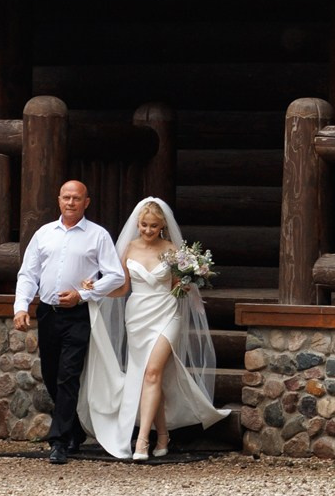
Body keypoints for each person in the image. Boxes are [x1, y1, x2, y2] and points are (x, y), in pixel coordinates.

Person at [78, 196, 225, 461]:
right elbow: (122, 288)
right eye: (144, 225)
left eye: (153, 226)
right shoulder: (129, 248)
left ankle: (142, 441)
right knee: (149, 376)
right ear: (138, 223)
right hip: (137, 316)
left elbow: (178, 288)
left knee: (153, 372)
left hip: (167, 314)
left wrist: (190, 280)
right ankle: (163, 434)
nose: (147, 230)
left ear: (162, 227)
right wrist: (95, 291)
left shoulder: (172, 251)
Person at [12, 179, 122, 464]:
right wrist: (21, 306)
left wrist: (83, 293)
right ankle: (73, 429)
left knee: (68, 374)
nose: (71, 202)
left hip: (79, 314)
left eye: (77, 198)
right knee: (50, 373)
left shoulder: (98, 235)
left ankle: (58, 441)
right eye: (66, 197)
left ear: (86, 202)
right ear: (59, 200)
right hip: (48, 312)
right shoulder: (44, 234)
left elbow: (116, 276)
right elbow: (28, 273)